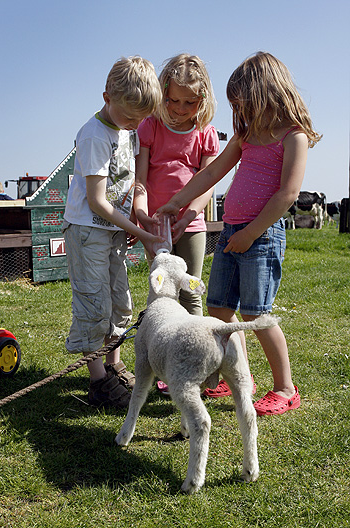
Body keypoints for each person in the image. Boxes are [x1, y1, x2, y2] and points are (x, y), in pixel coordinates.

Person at [158, 52, 322, 415]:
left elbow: (288, 195)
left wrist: (251, 233)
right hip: (234, 232)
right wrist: (179, 202)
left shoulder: (293, 136)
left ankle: (285, 388)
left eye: (243, 103)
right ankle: (235, 377)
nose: (240, 111)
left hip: (261, 237)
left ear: (266, 94)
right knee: (218, 310)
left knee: (256, 314)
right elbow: (211, 173)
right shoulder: (246, 134)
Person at [63, 56, 162, 409]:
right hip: (89, 231)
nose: (135, 124)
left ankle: (113, 364)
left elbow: (131, 183)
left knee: (120, 302)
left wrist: (138, 214)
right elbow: (97, 202)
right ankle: (98, 382)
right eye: (130, 116)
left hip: (113, 232)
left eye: (140, 119)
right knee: (94, 305)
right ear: (106, 96)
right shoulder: (94, 135)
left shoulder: (126, 130)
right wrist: (140, 231)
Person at [133, 53, 220, 396]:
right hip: (156, 223)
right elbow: (140, 179)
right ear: (162, 92)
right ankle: (163, 360)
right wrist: (141, 213)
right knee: (161, 296)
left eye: (190, 102)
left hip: (192, 223)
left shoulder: (205, 133)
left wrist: (189, 215)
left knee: (192, 292)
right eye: (173, 100)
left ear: (203, 99)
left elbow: (208, 181)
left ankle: (198, 365)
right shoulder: (150, 126)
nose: (181, 108)